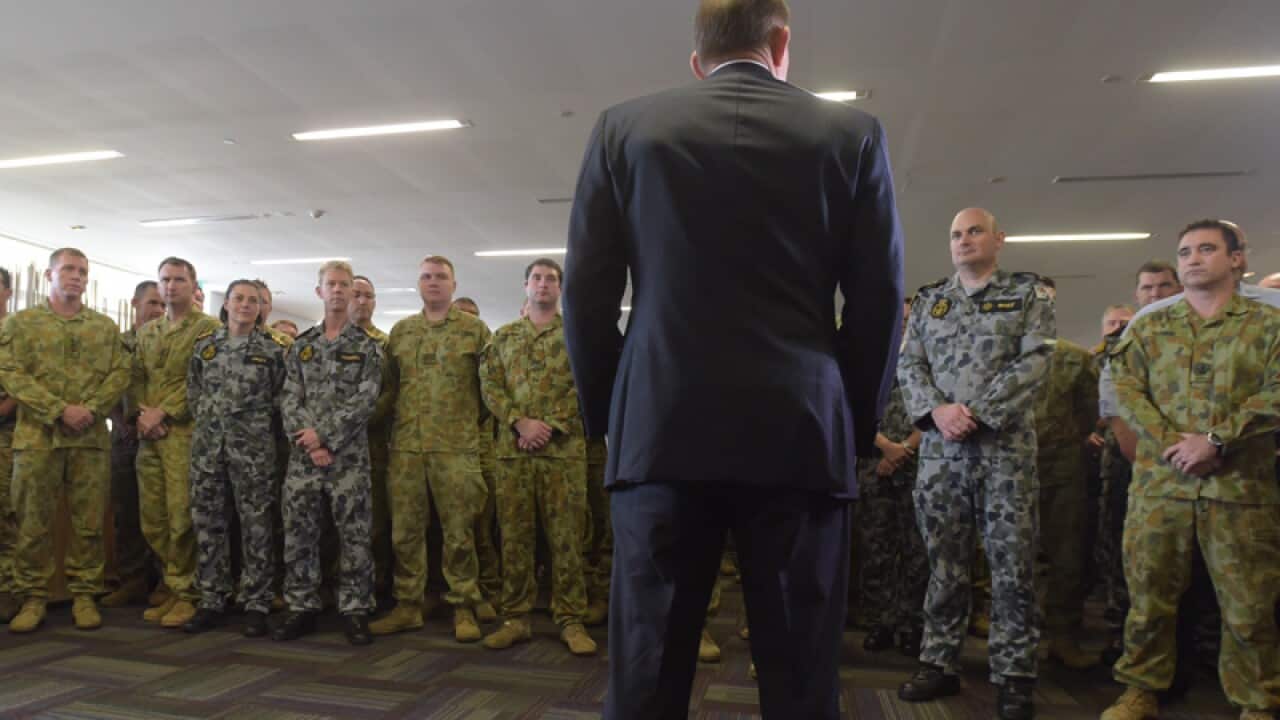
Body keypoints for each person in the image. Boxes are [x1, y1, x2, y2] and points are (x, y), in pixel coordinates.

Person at [561, 0, 904, 714]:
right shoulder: (851, 134)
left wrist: (613, 421)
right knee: (803, 674)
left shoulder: (625, 130)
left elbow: (587, 300)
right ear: (781, 44)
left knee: (648, 670)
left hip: (659, 432)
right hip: (800, 434)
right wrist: (855, 424)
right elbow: (876, 303)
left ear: (698, 60)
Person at [1103, 219, 1280, 720]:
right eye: (1185, 252)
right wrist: (1172, 443)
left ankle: (1258, 701)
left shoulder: (1269, 325)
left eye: (1207, 249)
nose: (1194, 258)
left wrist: (1217, 439)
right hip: (1161, 487)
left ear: (1236, 259)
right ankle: (1140, 690)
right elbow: (1127, 388)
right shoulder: (1151, 326)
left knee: (1249, 603)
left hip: (1240, 488)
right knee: (1149, 597)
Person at [896, 208, 1053, 720]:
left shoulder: (1029, 295)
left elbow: (1034, 361)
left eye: (975, 231)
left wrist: (979, 413)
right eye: (956, 234)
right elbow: (909, 364)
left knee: (1012, 567)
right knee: (944, 564)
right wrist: (938, 412)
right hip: (942, 453)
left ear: (998, 239)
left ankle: (1013, 674)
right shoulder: (930, 301)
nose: (964, 240)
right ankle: (939, 661)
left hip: (1004, 451)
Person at [0, 248, 131, 633]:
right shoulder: (20, 325)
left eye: (83, 271)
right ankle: (33, 597)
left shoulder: (104, 328)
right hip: (37, 437)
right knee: (31, 521)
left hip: (89, 439)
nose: (76, 276)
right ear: (49, 275)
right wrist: (59, 409)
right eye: (69, 269)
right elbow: (10, 373)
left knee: (87, 522)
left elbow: (120, 374)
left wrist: (89, 407)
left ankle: (85, 595)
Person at [479, 258, 596, 657]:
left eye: (551, 279)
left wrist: (546, 426)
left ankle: (571, 619)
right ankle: (516, 618)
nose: (543, 284)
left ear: (560, 288)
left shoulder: (576, 335)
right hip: (514, 456)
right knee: (515, 538)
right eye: (537, 278)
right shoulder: (503, 336)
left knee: (567, 539)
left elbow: (586, 386)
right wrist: (519, 423)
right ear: (525, 286)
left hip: (563, 455)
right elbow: (490, 385)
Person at [371, 256, 492, 642]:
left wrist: (465, 430)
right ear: (418, 285)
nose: (434, 282)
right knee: (405, 532)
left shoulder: (475, 332)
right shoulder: (402, 333)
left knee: (459, 533)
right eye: (426, 277)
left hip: (456, 449)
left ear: (453, 285)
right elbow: (389, 391)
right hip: (407, 449)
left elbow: (489, 393)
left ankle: (463, 606)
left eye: (441, 277)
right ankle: (408, 605)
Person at [275, 261, 382, 645]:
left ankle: (354, 608)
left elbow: (366, 400)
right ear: (319, 291)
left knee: (354, 535)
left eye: (345, 285)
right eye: (331, 284)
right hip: (305, 459)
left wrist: (325, 437)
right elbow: (289, 397)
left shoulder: (366, 347)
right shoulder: (301, 346)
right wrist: (309, 440)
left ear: (353, 293)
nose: (338, 291)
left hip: (347, 458)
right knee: (299, 533)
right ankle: (301, 605)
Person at [183, 280, 287, 637]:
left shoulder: (273, 351)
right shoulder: (205, 347)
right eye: (238, 298)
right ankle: (212, 598)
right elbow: (193, 392)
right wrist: (213, 423)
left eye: (253, 300)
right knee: (209, 525)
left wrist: (250, 426)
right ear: (226, 304)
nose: (245, 305)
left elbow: (280, 401)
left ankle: (256, 602)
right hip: (208, 451)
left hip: (254, 451)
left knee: (256, 526)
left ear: (261, 308)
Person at [132, 257, 222, 629]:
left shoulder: (210, 329)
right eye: (165, 280)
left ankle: (189, 593)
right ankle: (172, 584)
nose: (171, 286)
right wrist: (143, 413)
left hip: (184, 435)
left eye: (179, 280)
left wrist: (164, 412)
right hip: (148, 435)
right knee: (153, 518)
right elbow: (136, 375)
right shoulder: (148, 332)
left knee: (183, 517)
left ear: (193, 285)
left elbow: (207, 382)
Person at [1030, 278, 1100, 669]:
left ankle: (1062, 636)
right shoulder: (1000, 355)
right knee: (1013, 558)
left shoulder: (1076, 359)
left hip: (1063, 467)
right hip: (1012, 467)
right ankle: (1018, 638)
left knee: (1066, 555)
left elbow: (1089, 415)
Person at [857, 298, 926, 657]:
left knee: (915, 549)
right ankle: (881, 621)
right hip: (873, 462)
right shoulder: (867, 358)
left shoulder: (928, 356)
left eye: (907, 318)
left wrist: (905, 449)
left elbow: (935, 407)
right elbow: (852, 406)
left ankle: (912, 623)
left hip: (916, 464)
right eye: (896, 318)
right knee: (877, 545)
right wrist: (884, 447)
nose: (901, 323)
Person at [101, 281, 166, 609]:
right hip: (125, 439)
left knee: (160, 512)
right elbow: (103, 384)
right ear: (135, 304)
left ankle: (164, 581)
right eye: (152, 303)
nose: (157, 310)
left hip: (159, 438)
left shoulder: (164, 341)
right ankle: (131, 580)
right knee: (127, 512)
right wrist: (120, 419)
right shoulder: (118, 343)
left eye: (162, 305)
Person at [451, 296, 502, 618]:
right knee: (454, 531)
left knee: (483, 528)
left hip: (483, 452)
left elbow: (492, 403)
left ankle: (490, 589)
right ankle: (458, 593)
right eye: (461, 316)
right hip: (449, 452)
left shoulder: (487, 354)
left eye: (473, 316)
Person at [349, 275, 394, 601]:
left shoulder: (386, 344)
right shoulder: (323, 340)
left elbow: (391, 393)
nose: (362, 301)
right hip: (330, 450)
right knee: (330, 524)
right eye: (356, 294)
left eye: (368, 295)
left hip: (372, 446)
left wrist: (356, 421)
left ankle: (376, 588)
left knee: (375, 524)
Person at [0, 268, 16, 622]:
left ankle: (8, 592)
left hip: (8, 434)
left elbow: (30, 378)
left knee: (7, 516)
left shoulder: (19, 332)